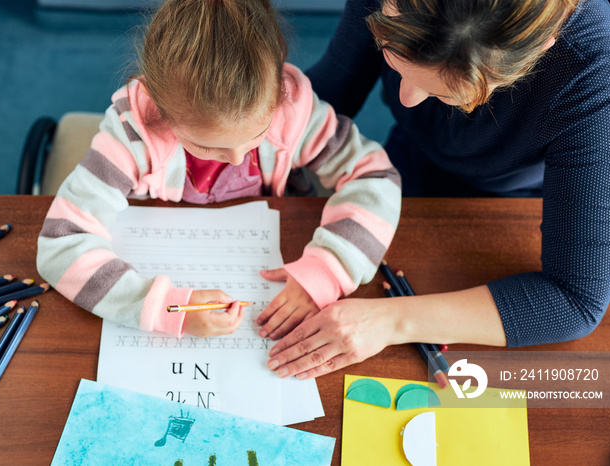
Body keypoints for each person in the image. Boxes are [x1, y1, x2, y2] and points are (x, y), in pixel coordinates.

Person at [264, 0, 610, 379]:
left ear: (540, 49)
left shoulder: (593, 62)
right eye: (394, 61)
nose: (406, 98)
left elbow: (575, 300)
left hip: (510, 206)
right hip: (401, 168)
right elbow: (329, 99)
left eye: (450, 95)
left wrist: (389, 322)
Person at [36, 0, 401, 338]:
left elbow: (376, 177)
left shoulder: (291, 112)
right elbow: (61, 245)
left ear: (278, 92)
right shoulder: (132, 133)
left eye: (256, 137)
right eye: (207, 146)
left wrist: (327, 271)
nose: (239, 160)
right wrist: (169, 308)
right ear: (160, 109)